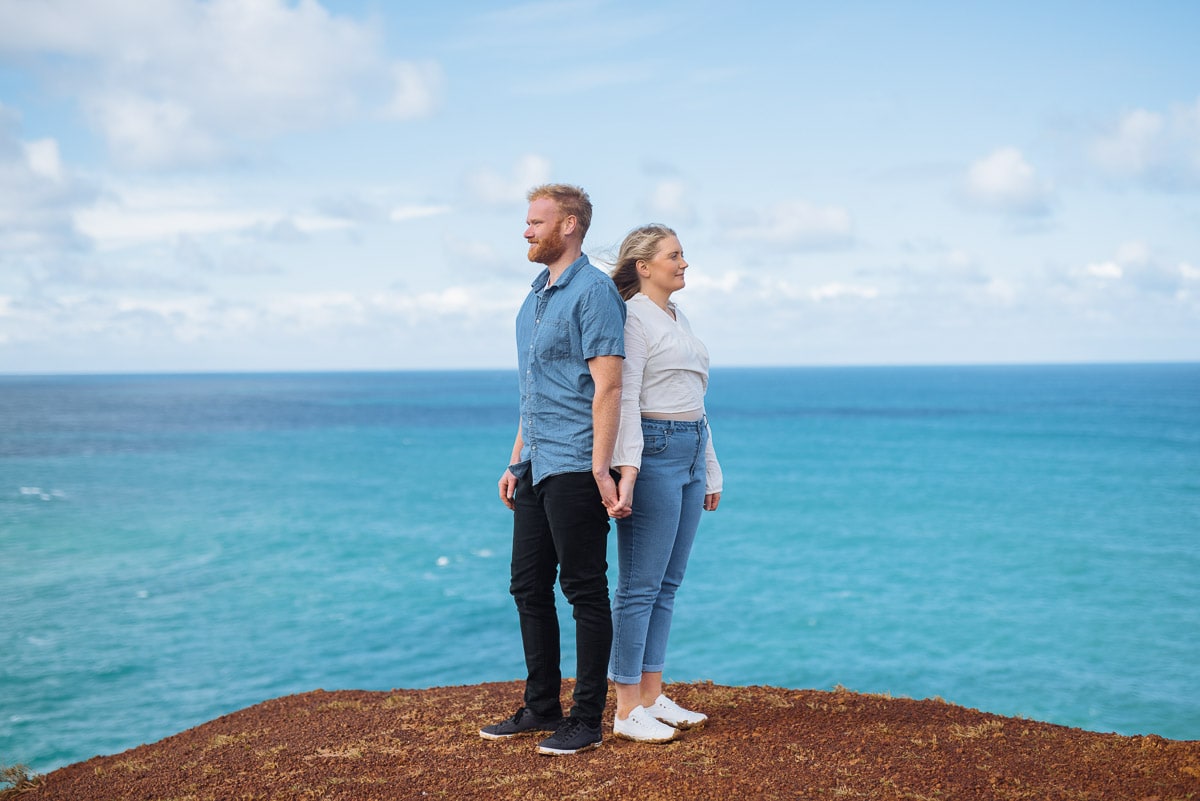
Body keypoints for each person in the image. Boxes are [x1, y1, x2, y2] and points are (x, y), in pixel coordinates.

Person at [479, 184, 629, 756]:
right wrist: (516, 459)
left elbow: (608, 386)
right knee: (526, 585)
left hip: (576, 464)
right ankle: (542, 707)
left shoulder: (593, 292)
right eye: (526, 221)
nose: (526, 231)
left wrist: (600, 470)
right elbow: (533, 391)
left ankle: (586, 720)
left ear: (570, 225)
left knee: (585, 590)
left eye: (536, 222)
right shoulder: (535, 296)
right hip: (538, 463)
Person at [605, 224, 723, 743]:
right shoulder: (632, 318)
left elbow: (696, 399)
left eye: (683, 255)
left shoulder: (678, 316)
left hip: (691, 446)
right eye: (675, 256)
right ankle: (626, 707)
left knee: (667, 585)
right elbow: (624, 399)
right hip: (653, 451)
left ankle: (652, 695)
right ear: (644, 267)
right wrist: (627, 467)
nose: (684, 263)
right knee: (639, 586)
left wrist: (711, 468)